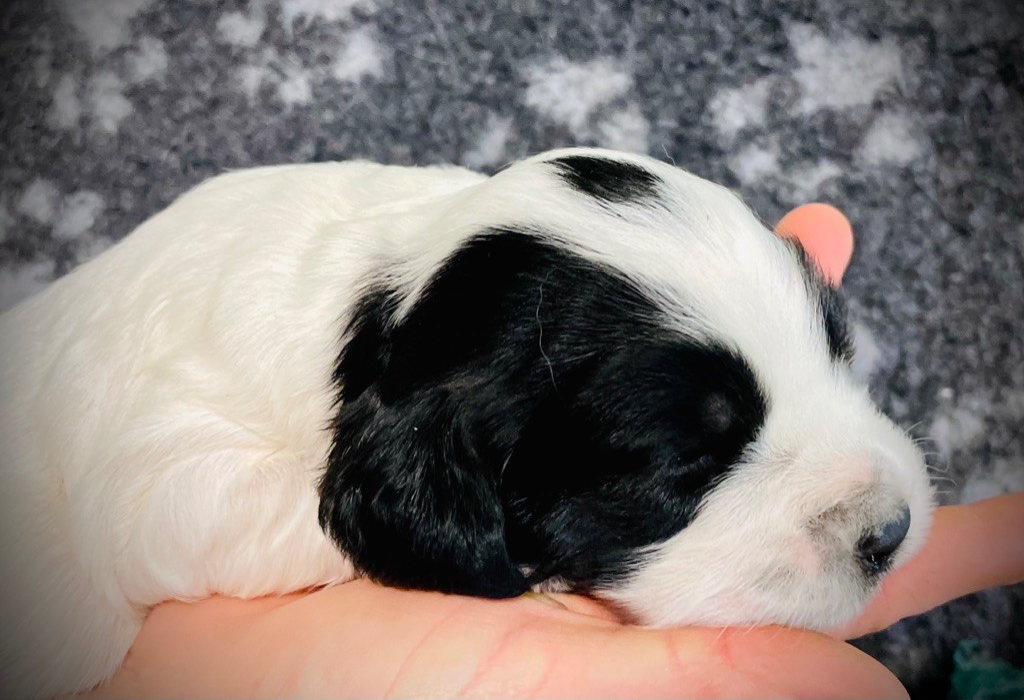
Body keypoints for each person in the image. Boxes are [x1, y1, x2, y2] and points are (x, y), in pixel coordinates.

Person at [83, 204, 1024, 699]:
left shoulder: (470, 273)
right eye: (696, 464)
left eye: (831, 347)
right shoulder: (193, 455)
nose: (874, 503)